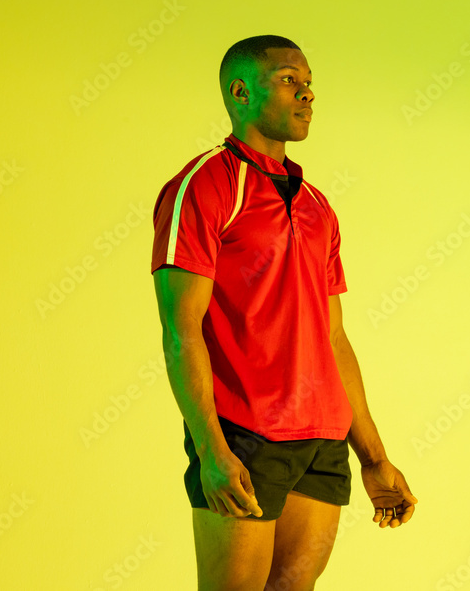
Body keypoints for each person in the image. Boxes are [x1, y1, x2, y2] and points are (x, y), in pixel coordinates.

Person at [150, 34, 418, 590]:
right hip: (244, 433)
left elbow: (334, 338)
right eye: (289, 80)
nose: (308, 94)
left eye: (310, 82)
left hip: (321, 439)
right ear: (240, 91)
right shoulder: (203, 186)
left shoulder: (319, 205)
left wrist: (373, 457)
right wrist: (210, 450)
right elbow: (182, 332)